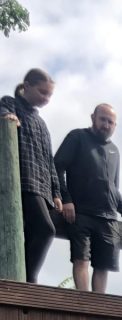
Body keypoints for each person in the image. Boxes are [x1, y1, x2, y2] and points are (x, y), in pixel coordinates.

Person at [54, 103, 122, 293]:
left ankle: (99, 306)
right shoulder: (77, 137)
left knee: (103, 266)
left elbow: (113, 189)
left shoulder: (115, 151)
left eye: (111, 122)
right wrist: (66, 199)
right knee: (81, 259)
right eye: (103, 119)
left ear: (115, 126)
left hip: (108, 218)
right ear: (93, 117)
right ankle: (84, 304)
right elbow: (57, 167)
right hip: (81, 213)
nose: (106, 125)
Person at [0, 68, 62, 283]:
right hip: (23, 181)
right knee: (46, 229)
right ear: (26, 86)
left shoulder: (42, 123)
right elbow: (3, 112)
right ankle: (28, 279)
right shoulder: (10, 103)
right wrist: (7, 117)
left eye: (49, 95)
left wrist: (56, 192)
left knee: (32, 231)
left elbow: (49, 160)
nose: (46, 98)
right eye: (42, 92)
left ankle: (22, 276)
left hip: (42, 186)